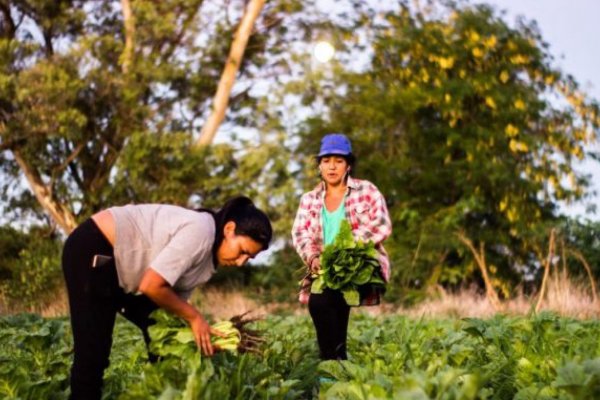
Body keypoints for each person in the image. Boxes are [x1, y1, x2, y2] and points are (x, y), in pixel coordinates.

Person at [62, 196, 272, 400]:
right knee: (93, 353)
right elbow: (152, 285)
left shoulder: (209, 263)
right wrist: (194, 317)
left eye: (249, 257)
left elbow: (168, 306)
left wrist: (202, 338)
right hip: (94, 245)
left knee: (161, 337)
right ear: (229, 230)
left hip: (120, 267)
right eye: (242, 251)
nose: (241, 262)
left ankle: (163, 394)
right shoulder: (201, 231)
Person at [292, 133, 392, 361]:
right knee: (329, 302)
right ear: (319, 166)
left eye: (339, 161)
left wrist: (348, 249)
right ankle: (337, 362)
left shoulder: (366, 191)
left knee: (322, 300)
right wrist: (313, 257)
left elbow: (382, 225)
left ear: (348, 165)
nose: (332, 167)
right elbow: (300, 233)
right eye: (326, 161)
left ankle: (331, 363)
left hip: (360, 266)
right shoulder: (309, 199)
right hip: (326, 269)